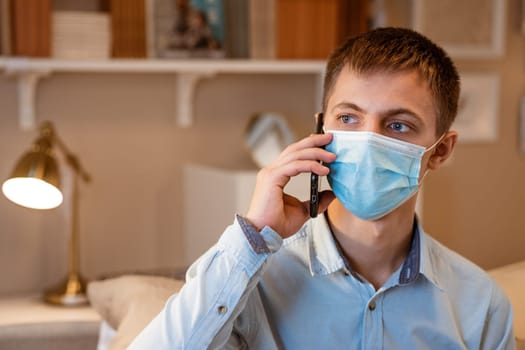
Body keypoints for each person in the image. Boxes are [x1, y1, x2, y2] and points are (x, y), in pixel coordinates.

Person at [129, 27, 515, 349]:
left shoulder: (480, 305)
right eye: (348, 118)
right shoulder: (250, 281)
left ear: (440, 150)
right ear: (320, 131)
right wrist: (251, 239)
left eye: (398, 125)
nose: (368, 140)